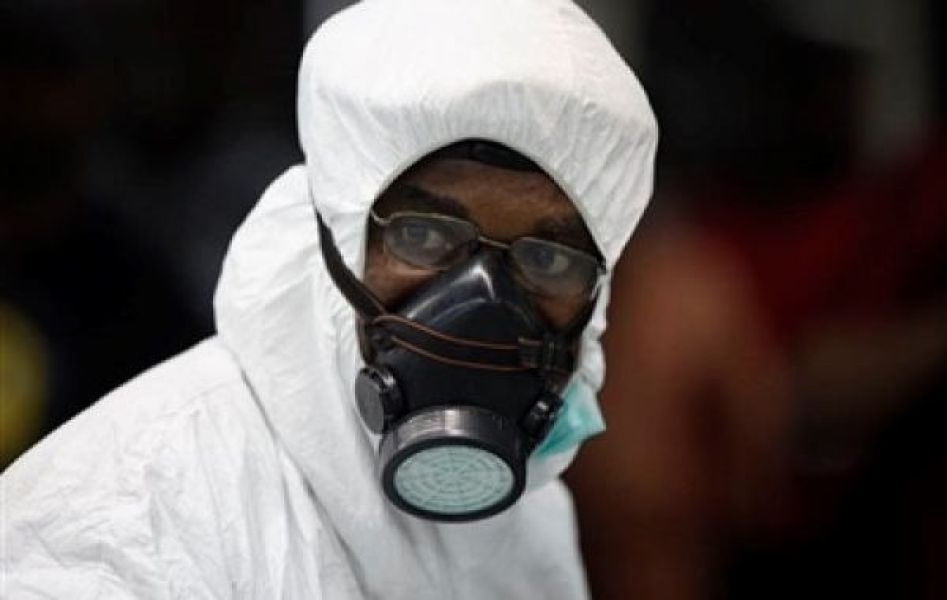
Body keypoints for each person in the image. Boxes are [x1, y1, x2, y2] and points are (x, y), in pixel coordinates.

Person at [1, 0, 657, 597]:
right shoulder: (126, 526)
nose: (485, 301)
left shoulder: (527, 524)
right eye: (422, 235)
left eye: (547, 259)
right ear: (334, 232)